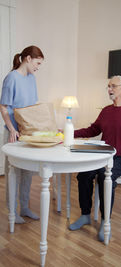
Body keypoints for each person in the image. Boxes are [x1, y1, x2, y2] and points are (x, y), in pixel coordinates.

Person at [69, 75, 121, 241]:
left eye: (113, 86)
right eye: (108, 86)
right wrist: (69, 133)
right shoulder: (106, 111)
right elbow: (93, 130)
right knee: (83, 174)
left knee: (105, 177)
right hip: (103, 153)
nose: (110, 89)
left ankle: (106, 220)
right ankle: (85, 215)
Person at [0, 45, 44, 223]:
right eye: (37, 63)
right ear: (28, 58)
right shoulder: (11, 78)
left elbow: (32, 106)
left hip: (27, 132)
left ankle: (24, 207)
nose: (38, 67)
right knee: (13, 172)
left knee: (27, 171)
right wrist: (12, 129)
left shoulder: (32, 78)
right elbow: (3, 107)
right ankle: (12, 211)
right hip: (13, 132)